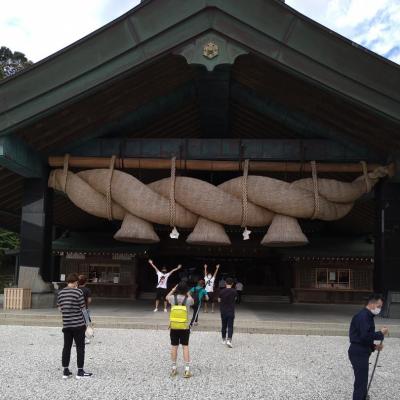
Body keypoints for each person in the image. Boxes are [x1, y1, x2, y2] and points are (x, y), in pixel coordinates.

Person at [348, 293, 389, 400]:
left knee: (362, 380)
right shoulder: (363, 317)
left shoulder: (368, 316)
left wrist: (374, 347)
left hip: (361, 350)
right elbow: (364, 336)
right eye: (379, 306)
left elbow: (363, 338)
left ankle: (363, 397)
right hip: (358, 352)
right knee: (361, 382)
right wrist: (380, 333)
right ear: (372, 304)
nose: (379, 309)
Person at [57, 273, 93, 379]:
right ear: (76, 282)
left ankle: (65, 371)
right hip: (78, 324)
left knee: (66, 347)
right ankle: (80, 371)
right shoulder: (78, 292)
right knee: (80, 347)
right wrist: (88, 324)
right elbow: (83, 309)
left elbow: (60, 308)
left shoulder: (61, 293)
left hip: (66, 324)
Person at [166, 282, 194, 378]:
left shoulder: (172, 298)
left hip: (174, 326)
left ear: (177, 289)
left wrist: (173, 289)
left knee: (174, 346)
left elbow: (166, 297)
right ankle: (187, 370)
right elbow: (193, 301)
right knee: (185, 346)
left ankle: (174, 368)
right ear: (186, 290)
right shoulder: (188, 299)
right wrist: (188, 293)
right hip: (184, 326)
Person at [218, 277, 237, 348]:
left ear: (225, 283)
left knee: (224, 325)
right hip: (231, 311)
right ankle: (229, 340)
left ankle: (223, 339)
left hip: (223, 311)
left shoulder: (221, 291)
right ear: (232, 284)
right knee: (230, 326)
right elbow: (235, 299)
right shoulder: (234, 291)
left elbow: (219, 300)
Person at [78, 275, 92, 344]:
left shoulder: (76, 289)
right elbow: (89, 300)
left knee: (77, 323)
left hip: (76, 309)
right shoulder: (87, 290)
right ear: (86, 282)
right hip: (85, 309)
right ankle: (86, 338)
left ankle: (76, 339)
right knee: (86, 323)